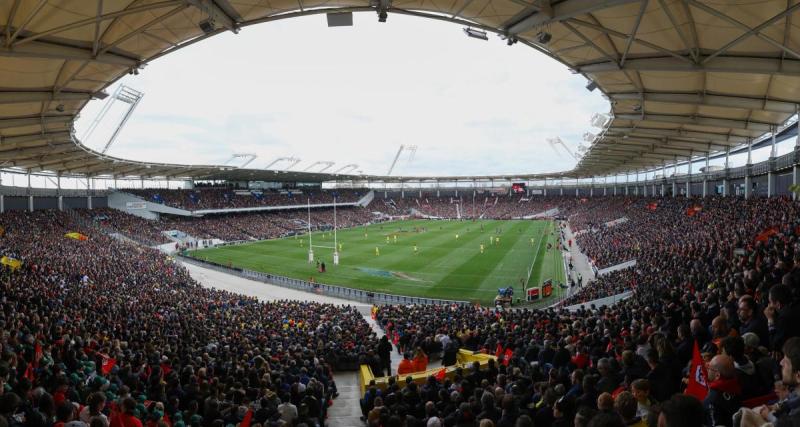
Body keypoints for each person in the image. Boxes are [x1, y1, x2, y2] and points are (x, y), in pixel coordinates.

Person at [703, 354, 741, 427]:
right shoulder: (738, 386)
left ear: (717, 375)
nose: (707, 369)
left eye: (709, 368)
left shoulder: (711, 400)